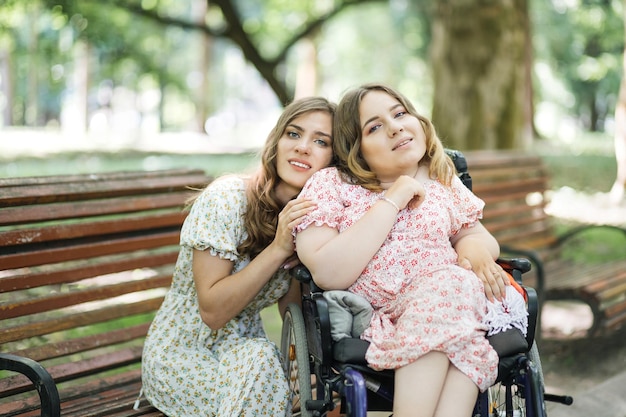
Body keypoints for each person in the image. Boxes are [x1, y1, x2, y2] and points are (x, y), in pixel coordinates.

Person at [294, 83, 527, 417]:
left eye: (400, 113)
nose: (395, 127)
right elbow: (328, 273)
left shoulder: (440, 176)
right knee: (455, 316)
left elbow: (476, 234)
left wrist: (475, 248)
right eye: (374, 127)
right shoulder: (332, 185)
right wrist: (395, 197)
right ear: (356, 150)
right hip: (385, 313)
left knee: (452, 288)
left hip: (454, 299)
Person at [140, 96, 336, 416]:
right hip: (183, 359)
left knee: (262, 364)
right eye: (294, 134)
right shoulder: (227, 199)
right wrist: (278, 249)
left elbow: (292, 310)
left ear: (334, 159)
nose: (303, 147)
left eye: (320, 141)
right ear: (276, 141)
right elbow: (213, 312)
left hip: (249, 361)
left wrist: (304, 373)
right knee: (262, 370)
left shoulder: (309, 222)